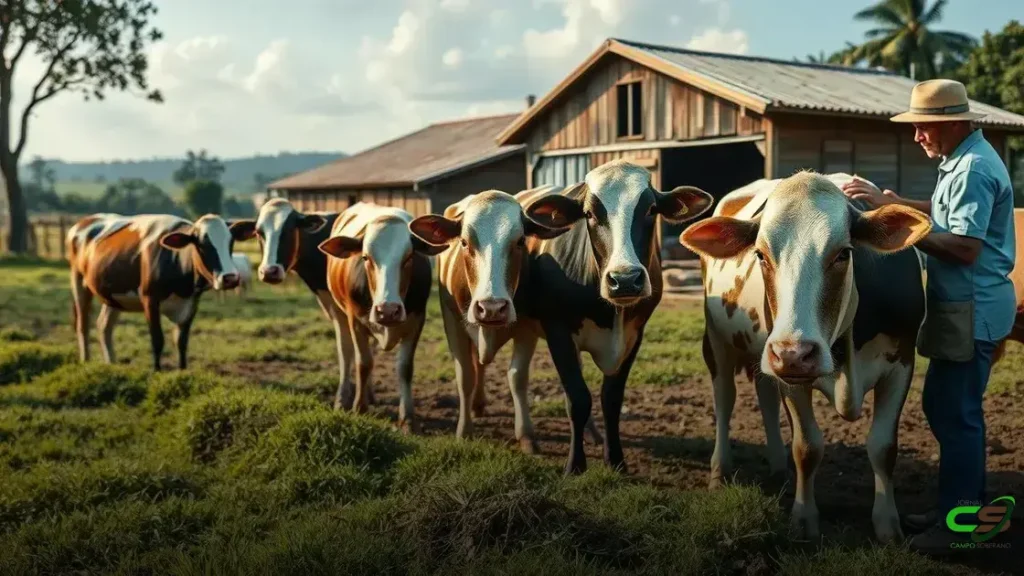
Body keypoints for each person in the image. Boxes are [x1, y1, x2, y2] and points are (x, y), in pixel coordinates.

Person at [841, 78, 1017, 552]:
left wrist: (895, 229)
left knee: (956, 416)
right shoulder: (963, 158)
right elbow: (946, 216)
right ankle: (959, 508)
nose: (917, 135)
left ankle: (961, 527)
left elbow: (964, 247)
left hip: (971, 308)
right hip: (962, 306)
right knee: (946, 408)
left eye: (924, 126)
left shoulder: (973, 169)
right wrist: (893, 203)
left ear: (955, 123)